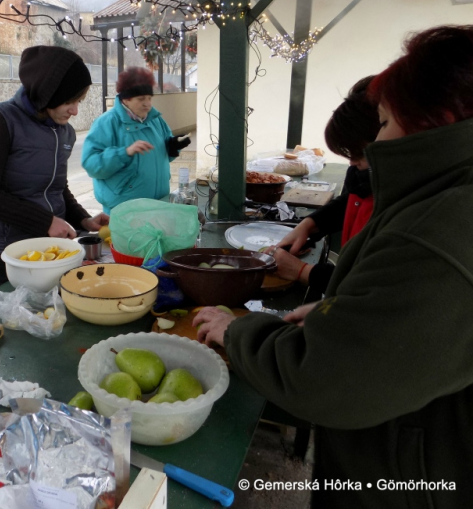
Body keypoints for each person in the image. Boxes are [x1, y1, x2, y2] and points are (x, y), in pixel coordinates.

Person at [194, 25, 473, 508]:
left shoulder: (436, 232)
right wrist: (339, 314)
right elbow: (406, 328)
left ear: (438, 119)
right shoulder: (444, 202)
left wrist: (239, 331)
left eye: (384, 123)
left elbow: (322, 378)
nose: (376, 147)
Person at [0, 46, 109, 292]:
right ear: (47, 94)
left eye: (79, 101)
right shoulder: (0, 120)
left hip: (50, 246)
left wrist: (83, 218)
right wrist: (45, 221)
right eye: (68, 101)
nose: (75, 110)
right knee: (10, 322)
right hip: (8, 253)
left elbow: (56, 186)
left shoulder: (64, 131)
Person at [270, 76, 379, 293]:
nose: (352, 162)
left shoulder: (404, 200)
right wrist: (310, 225)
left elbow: (370, 287)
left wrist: (302, 272)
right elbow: (350, 200)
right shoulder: (366, 174)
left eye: (359, 153)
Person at [81, 67, 191, 214]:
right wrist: (124, 153)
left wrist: (173, 146)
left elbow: (163, 157)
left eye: (149, 98)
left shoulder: (156, 120)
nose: (147, 104)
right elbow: (91, 164)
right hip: (125, 210)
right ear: (126, 99)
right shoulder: (106, 122)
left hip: (159, 205)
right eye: (141, 99)